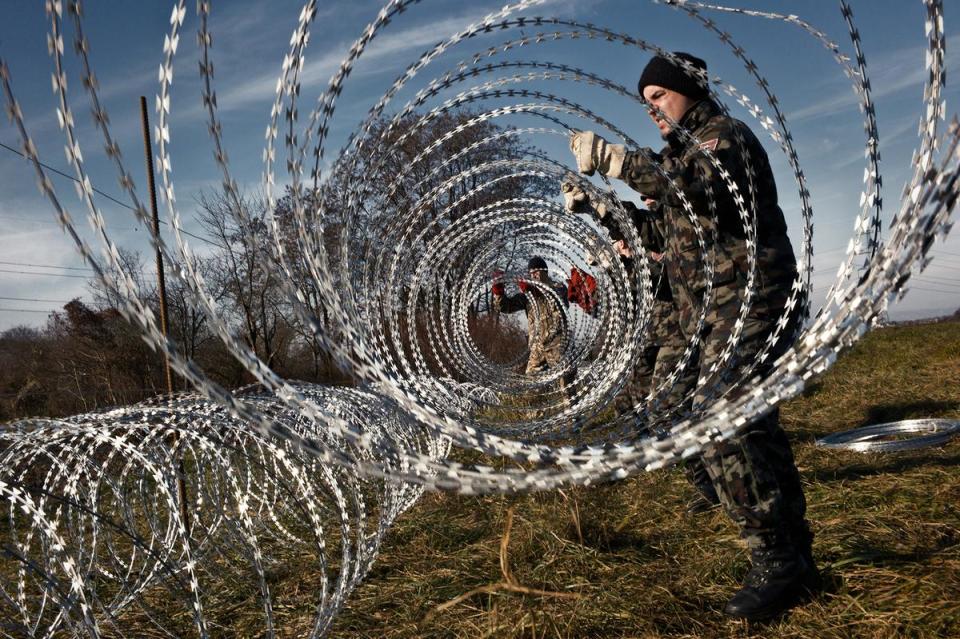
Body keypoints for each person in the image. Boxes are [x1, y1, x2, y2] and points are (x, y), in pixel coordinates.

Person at [568, 51, 816, 621]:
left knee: (720, 413)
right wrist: (604, 210)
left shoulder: (722, 137)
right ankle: (792, 557)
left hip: (749, 297)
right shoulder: (678, 156)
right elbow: (660, 226)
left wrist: (617, 162)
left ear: (688, 91)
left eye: (659, 95)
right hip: (706, 311)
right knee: (746, 421)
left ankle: (778, 558)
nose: (651, 108)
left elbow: (705, 188)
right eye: (646, 101)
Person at [562, 182, 719, 515]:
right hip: (648, 336)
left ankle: (707, 481)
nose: (647, 197)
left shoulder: (679, 224)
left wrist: (638, 259)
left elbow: (674, 273)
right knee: (636, 402)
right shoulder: (652, 227)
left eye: (651, 189)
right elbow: (631, 291)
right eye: (643, 192)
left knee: (669, 403)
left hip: (678, 330)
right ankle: (648, 455)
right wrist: (617, 266)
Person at [492, 256, 575, 390]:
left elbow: (556, 299)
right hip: (537, 347)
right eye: (531, 273)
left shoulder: (558, 288)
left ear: (545, 271)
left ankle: (573, 409)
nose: (534, 275)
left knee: (566, 387)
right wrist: (498, 290)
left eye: (537, 271)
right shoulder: (527, 297)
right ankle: (535, 411)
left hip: (558, 345)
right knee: (532, 388)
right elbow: (505, 307)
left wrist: (532, 290)